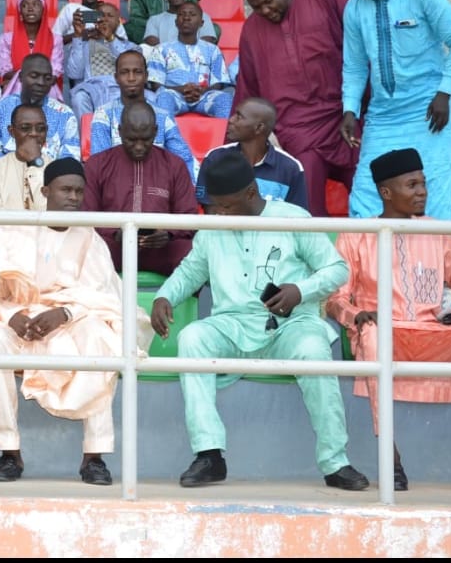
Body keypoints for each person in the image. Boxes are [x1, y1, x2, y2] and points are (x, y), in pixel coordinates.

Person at [150, 150, 368, 491]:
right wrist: (165, 296)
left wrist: (301, 290)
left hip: (291, 324)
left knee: (313, 350)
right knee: (192, 337)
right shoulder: (214, 226)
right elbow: (191, 270)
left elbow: (337, 269)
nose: (220, 213)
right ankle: (209, 454)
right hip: (233, 324)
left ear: (251, 193)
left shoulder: (293, 218)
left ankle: (335, 462)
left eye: (227, 205)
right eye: (215, 207)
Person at [327, 147, 451, 493]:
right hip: (385, 333)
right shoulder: (356, 234)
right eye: (412, 185)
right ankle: (391, 460)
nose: (422, 192)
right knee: (374, 334)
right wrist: (355, 315)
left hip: (431, 332)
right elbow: (334, 299)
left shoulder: (437, 232)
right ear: (386, 192)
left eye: (423, 184)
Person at [0, 157, 153, 486]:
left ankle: (94, 456)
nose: (72, 197)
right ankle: (9, 451)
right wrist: (13, 317)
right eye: (65, 190)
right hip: (17, 322)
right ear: (45, 191)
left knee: (103, 336)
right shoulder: (11, 229)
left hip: (70, 321)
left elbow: (104, 294)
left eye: (78, 192)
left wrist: (64, 313)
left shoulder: (89, 238)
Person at [339, 0, 451, 226]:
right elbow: (355, 66)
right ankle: (370, 261)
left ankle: (440, 262)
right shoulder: (354, 9)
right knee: (366, 189)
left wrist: (444, 93)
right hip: (383, 115)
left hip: (429, 109)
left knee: (432, 184)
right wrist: (350, 109)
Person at [231, 0, 356, 217]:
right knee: (307, 212)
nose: (266, 11)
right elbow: (248, 86)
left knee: (371, 195)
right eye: (257, 7)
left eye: (268, 1)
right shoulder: (252, 31)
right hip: (300, 132)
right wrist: (235, 143)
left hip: (348, 119)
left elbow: (363, 35)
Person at [83, 101, 198, 276]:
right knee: (85, 250)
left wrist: (168, 234)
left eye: (145, 139)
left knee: (193, 254)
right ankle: (98, 303)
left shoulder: (175, 165)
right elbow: (86, 216)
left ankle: (175, 302)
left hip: (160, 249)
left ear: (156, 132)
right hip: (113, 247)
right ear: (120, 131)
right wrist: (116, 234)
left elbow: (188, 216)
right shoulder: (97, 164)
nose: (138, 146)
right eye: (131, 139)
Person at [89, 50, 197, 175]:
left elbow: (184, 158)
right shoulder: (104, 114)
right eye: (124, 72)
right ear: (116, 78)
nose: (131, 78)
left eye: (137, 72)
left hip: (156, 183)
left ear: (146, 76)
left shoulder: (162, 115)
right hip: (116, 185)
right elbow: (99, 161)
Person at [197, 97, 308, 210]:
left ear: (259, 128)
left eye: (239, 116)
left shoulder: (291, 167)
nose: (231, 120)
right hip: (224, 227)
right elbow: (210, 209)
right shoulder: (215, 158)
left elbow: (296, 215)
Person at [0, 53, 80, 170]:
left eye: (47, 78)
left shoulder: (65, 115)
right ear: (20, 77)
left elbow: (70, 162)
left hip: (48, 182)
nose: (41, 82)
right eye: (34, 76)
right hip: (5, 181)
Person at [150, 1, 234, 119]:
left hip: (204, 96)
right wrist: (182, 89)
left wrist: (200, 91)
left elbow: (218, 83)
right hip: (175, 96)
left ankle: (226, 138)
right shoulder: (161, 49)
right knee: (163, 97)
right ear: (176, 22)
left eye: (192, 14)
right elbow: (156, 85)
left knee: (224, 99)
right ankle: (163, 137)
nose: (186, 18)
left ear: (201, 23)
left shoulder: (213, 50)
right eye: (182, 14)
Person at [0, 103, 49, 240]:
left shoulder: (56, 168)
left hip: (44, 246)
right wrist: (31, 221)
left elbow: (51, 217)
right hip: (3, 247)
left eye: (40, 129)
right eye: (25, 128)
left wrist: (36, 166)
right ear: (11, 131)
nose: (34, 133)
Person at [65, 1, 141, 117]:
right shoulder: (83, 44)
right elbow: (74, 74)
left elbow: (129, 64)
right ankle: (87, 135)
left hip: (119, 88)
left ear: (118, 21)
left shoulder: (131, 46)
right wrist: (78, 36)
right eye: (101, 15)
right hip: (92, 89)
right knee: (79, 98)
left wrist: (110, 38)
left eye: (110, 16)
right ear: (94, 20)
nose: (105, 19)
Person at [0, 0, 64, 98]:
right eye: (25, 5)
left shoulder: (56, 39)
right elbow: (5, 72)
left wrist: (30, 76)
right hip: (16, 83)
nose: (30, 9)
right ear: (20, 12)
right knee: (18, 88)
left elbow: (54, 73)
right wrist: (33, 77)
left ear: (43, 10)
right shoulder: (6, 39)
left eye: (36, 5)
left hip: (45, 85)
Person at [54, 0, 128, 51]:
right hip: (75, 53)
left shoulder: (109, 12)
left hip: (105, 56)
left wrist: (108, 34)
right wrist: (78, 35)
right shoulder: (70, 9)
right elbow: (54, 40)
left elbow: (125, 43)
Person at [142, 0, 218, 47]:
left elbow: (206, 46)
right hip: (164, 59)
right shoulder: (154, 20)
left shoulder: (202, 16)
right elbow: (153, 46)